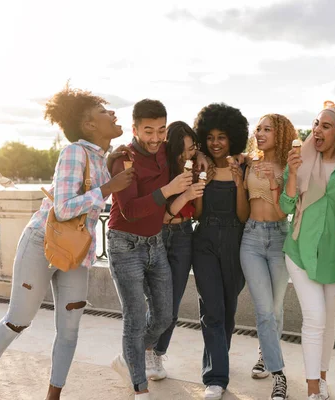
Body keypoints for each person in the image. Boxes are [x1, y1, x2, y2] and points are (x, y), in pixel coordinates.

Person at [0, 85, 134, 400]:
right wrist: (108, 188)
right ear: (88, 125)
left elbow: (93, 183)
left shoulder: (102, 159)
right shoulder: (73, 152)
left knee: (70, 330)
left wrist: (111, 165)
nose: (113, 113)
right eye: (104, 111)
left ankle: (53, 396)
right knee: (19, 320)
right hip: (42, 244)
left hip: (77, 253)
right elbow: (62, 208)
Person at [106, 99, 194, 399]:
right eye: (148, 131)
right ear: (134, 129)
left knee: (164, 316)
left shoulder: (165, 153)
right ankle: (140, 389)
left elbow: (188, 150)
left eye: (160, 130)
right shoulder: (123, 159)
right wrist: (168, 190)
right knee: (134, 316)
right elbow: (129, 209)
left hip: (156, 243)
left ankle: (128, 359)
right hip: (124, 244)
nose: (155, 138)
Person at [280, 102, 335, 400]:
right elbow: (285, 207)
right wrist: (293, 175)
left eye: (326, 126)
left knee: (329, 321)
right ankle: (312, 388)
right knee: (314, 318)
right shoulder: (300, 159)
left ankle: (322, 377)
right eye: (315, 123)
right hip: (299, 251)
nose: (317, 130)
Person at [192, 103, 249, 400]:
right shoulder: (200, 167)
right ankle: (215, 378)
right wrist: (202, 182)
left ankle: (219, 358)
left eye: (222, 136)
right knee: (212, 309)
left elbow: (242, 217)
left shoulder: (245, 165)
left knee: (228, 309)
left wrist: (239, 183)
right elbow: (198, 214)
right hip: (204, 242)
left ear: (233, 138)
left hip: (236, 240)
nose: (215, 142)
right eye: (210, 136)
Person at [239, 114, 297, 400]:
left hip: (278, 237)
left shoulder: (289, 166)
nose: (260, 133)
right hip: (250, 238)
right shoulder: (248, 161)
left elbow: (286, 207)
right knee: (264, 311)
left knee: (275, 309)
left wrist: (277, 182)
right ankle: (279, 375)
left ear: (281, 133)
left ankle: (264, 352)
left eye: (267, 129)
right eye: (258, 128)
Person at [147, 121, 206, 379]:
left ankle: (157, 354)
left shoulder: (195, 167)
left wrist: (200, 159)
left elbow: (195, 211)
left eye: (192, 149)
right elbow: (162, 215)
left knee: (174, 303)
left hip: (184, 235)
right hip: (160, 234)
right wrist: (184, 193)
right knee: (158, 301)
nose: (188, 155)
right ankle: (144, 350)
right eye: (182, 151)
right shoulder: (162, 168)